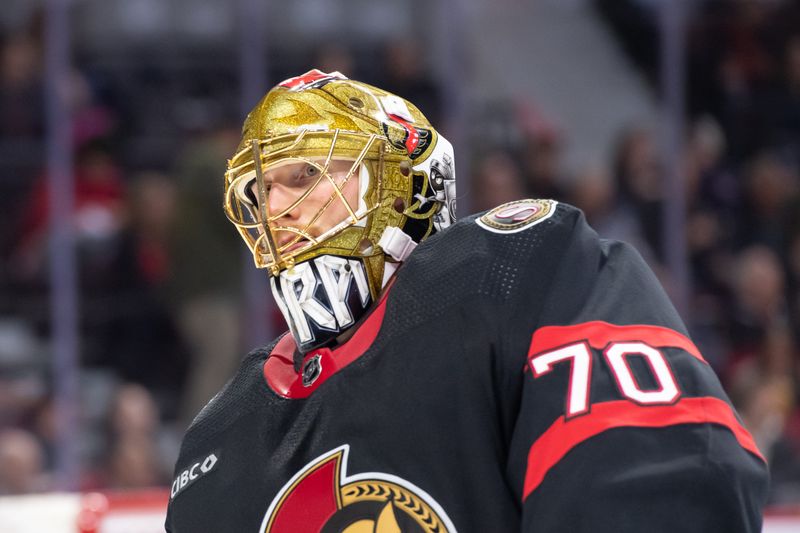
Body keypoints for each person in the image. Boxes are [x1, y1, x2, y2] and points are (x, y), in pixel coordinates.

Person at [165, 70, 768, 532]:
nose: (277, 207)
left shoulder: (516, 270)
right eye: (261, 189)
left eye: (303, 176)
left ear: (406, 187)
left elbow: (664, 475)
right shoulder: (218, 437)